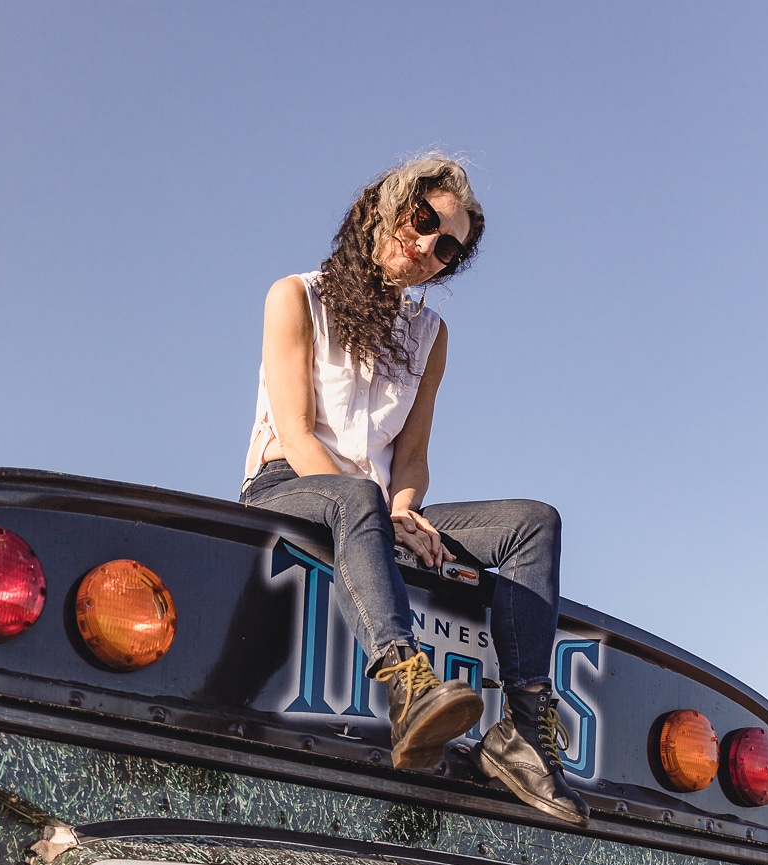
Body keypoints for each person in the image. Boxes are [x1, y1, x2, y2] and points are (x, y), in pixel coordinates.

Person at [242, 156, 589, 827]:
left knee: (532, 522)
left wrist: (404, 509)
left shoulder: (430, 336)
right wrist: (375, 503)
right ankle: (407, 686)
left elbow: (412, 456)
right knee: (355, 497)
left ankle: (521, 731)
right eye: (422, 220)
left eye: (448, 247)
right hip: (288, 487)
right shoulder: (294, 296)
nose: (429, 246)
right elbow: (296, 431)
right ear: (384, 207)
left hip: (374, 508)